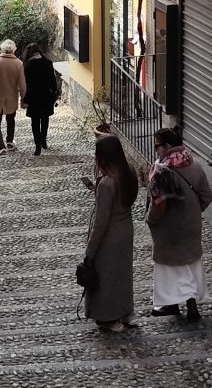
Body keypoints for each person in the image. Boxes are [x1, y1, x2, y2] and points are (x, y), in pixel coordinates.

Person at [145, 126, 212, 321]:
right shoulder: (195, 164)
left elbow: (158, 206)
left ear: (166, 146)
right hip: (191, 226)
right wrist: (192, 211)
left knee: (170, 268)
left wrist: (151, 221)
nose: (156, 149)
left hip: (169, 229)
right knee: (189, 263)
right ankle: (191, 305)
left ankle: (170, 304)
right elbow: (207, 196)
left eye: (157, 145)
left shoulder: (161, 171)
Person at [83, 134, 139, 332]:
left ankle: (109, 317)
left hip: (109, 237)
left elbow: (101, 222)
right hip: (126, 231)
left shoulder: (107, 183)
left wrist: (89, 252)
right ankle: (126, 312)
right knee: (123, 274)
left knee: (107, 277)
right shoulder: (129, 172)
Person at [0, 39, 25, 155]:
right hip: (12, 97)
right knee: (11, 120)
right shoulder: (18, 63)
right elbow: (22, 85)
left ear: (2, 49)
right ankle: (9, 142)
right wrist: (23, 99)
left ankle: (1, 147)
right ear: (14, 50)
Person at [21, 44, 61, 156]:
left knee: (34, 121)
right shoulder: (48, 63)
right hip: (46, 96)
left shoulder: (28, 66)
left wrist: (25, 99)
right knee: (45, 119)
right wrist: (55, 92)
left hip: (33, 97)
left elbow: (26, 84)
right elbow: (53, 80)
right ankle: (44, 140)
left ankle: (37, 145)